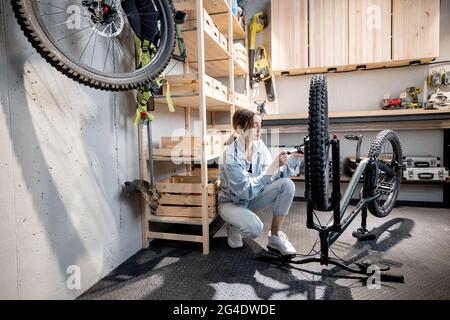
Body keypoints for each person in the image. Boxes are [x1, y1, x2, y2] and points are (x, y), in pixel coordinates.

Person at [218, 108, 304, 256]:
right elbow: (245, 191)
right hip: (231, 203)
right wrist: (273, 167)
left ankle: (275, 236)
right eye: (254, 125)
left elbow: (274, 175)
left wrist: (294, 158)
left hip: (251, 198)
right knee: (255, 229)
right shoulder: (230, 155)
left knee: (287, 184)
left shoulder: (260, 146)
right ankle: (233, 225)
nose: (260, 130)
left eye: (260, 125)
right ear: (239, 129)